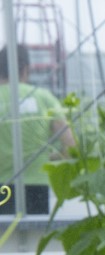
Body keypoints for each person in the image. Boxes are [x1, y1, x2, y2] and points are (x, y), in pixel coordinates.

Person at [0, 44, 75, 215]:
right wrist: (51, 157)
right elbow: (71, 145)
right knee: (34, 237)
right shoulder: (43, 97)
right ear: (26, 69)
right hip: (37, 184)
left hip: (2, 187)